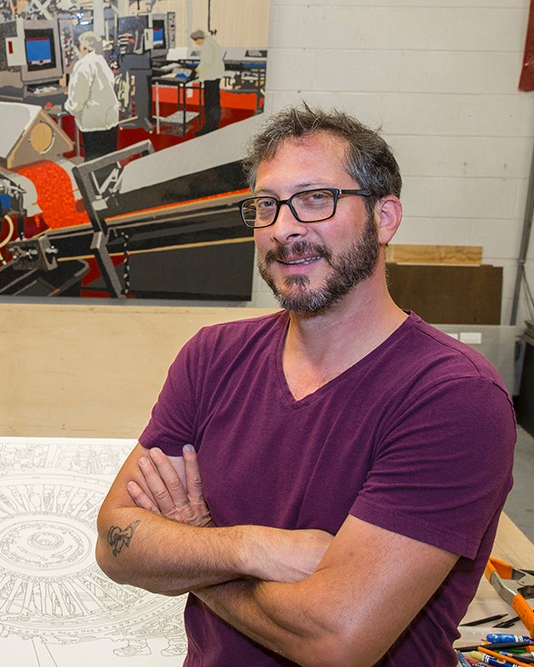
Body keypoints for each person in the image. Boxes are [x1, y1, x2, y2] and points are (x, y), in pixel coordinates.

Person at [96, 104, 516, 666]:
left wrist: (193, 550)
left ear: (385, 218)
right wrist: (250, 546)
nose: (284, 228)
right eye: (265, 206)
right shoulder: (212, 358)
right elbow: (115, 543)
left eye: (316, 199)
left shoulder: (453, 397)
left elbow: (334, 641)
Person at [64, 31, 120, 160]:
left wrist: (68, 106)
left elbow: (77, 101)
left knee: (94, 163)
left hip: (93, 123)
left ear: (84, 47)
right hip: (110, 118)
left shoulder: (83, 65)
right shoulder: (101, 61)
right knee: (109, 159)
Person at [190, 29, 224, 136]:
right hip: (215, 76)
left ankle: (209, 127)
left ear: (199, 39)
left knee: (209, 103)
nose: (196, 44)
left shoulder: (206, 45)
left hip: (210, 77)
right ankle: (214, 125)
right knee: (215, 101)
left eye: (196, 41)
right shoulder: (211, 42)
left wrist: (195, 70)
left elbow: (206, 62)